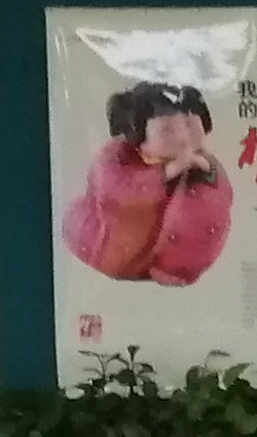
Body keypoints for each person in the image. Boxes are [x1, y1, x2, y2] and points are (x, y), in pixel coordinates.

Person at [58, 80, 232, 289]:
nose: (183, 138)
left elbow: (222, 196)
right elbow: (114, 191)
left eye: (190, 125)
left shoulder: (202, 160)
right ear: (138, 134)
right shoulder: (115, 157)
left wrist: (206, 172)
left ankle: (177, 267)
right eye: (167, 130)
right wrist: (168, 172)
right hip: (122, 243)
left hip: (171, 254)